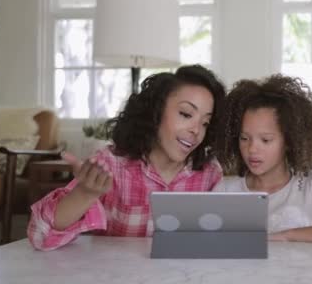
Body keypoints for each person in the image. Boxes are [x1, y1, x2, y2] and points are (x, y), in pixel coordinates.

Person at [28, 65, 226, 251]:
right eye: (185, 114)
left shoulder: (209, 174)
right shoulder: (110, 165)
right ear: (155, 111)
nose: (196, 130)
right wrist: (84, 194)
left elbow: (220, 243)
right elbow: (40, 236)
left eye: (205, 123)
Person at [213, 75, 312, 244]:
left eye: (265, 140)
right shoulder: (225, 189)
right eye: (244, 138)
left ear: (289, 141)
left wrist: (286, 235)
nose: (252, 149)